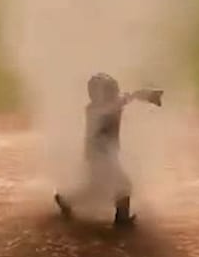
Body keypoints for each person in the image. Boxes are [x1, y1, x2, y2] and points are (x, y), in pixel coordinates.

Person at [52, 73, 161, 229]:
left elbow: (125, 98)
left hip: (101, 155)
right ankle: (122, 221)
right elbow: (119, 103)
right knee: (123, 185)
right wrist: (139, 95)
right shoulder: (96, 109)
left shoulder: (108, 104)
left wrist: (146, 94)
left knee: (95, 187)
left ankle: (66, 200)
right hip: (99, 156)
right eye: (109, 90)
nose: (114, 92)